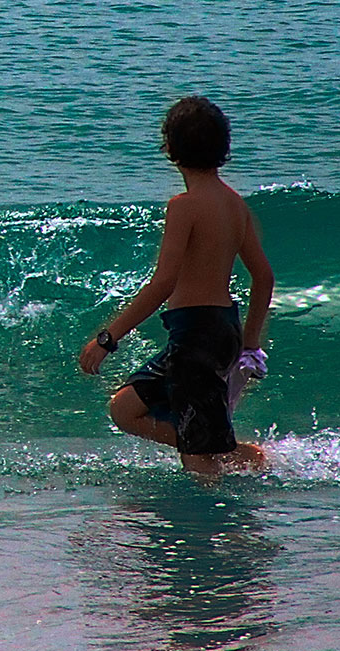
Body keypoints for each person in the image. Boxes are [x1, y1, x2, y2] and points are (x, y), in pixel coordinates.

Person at [77, 96, 274, 476]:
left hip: (196, 337)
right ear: (223, 147)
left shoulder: (184, 206)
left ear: (170, 148)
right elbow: (263, 277)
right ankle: (234, 453)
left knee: (197, 459)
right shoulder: (235, 205)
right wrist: (249, 344)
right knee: (124, 408)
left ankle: (222, 495)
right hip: (221, 331)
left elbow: (163, 283)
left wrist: (108, 338)